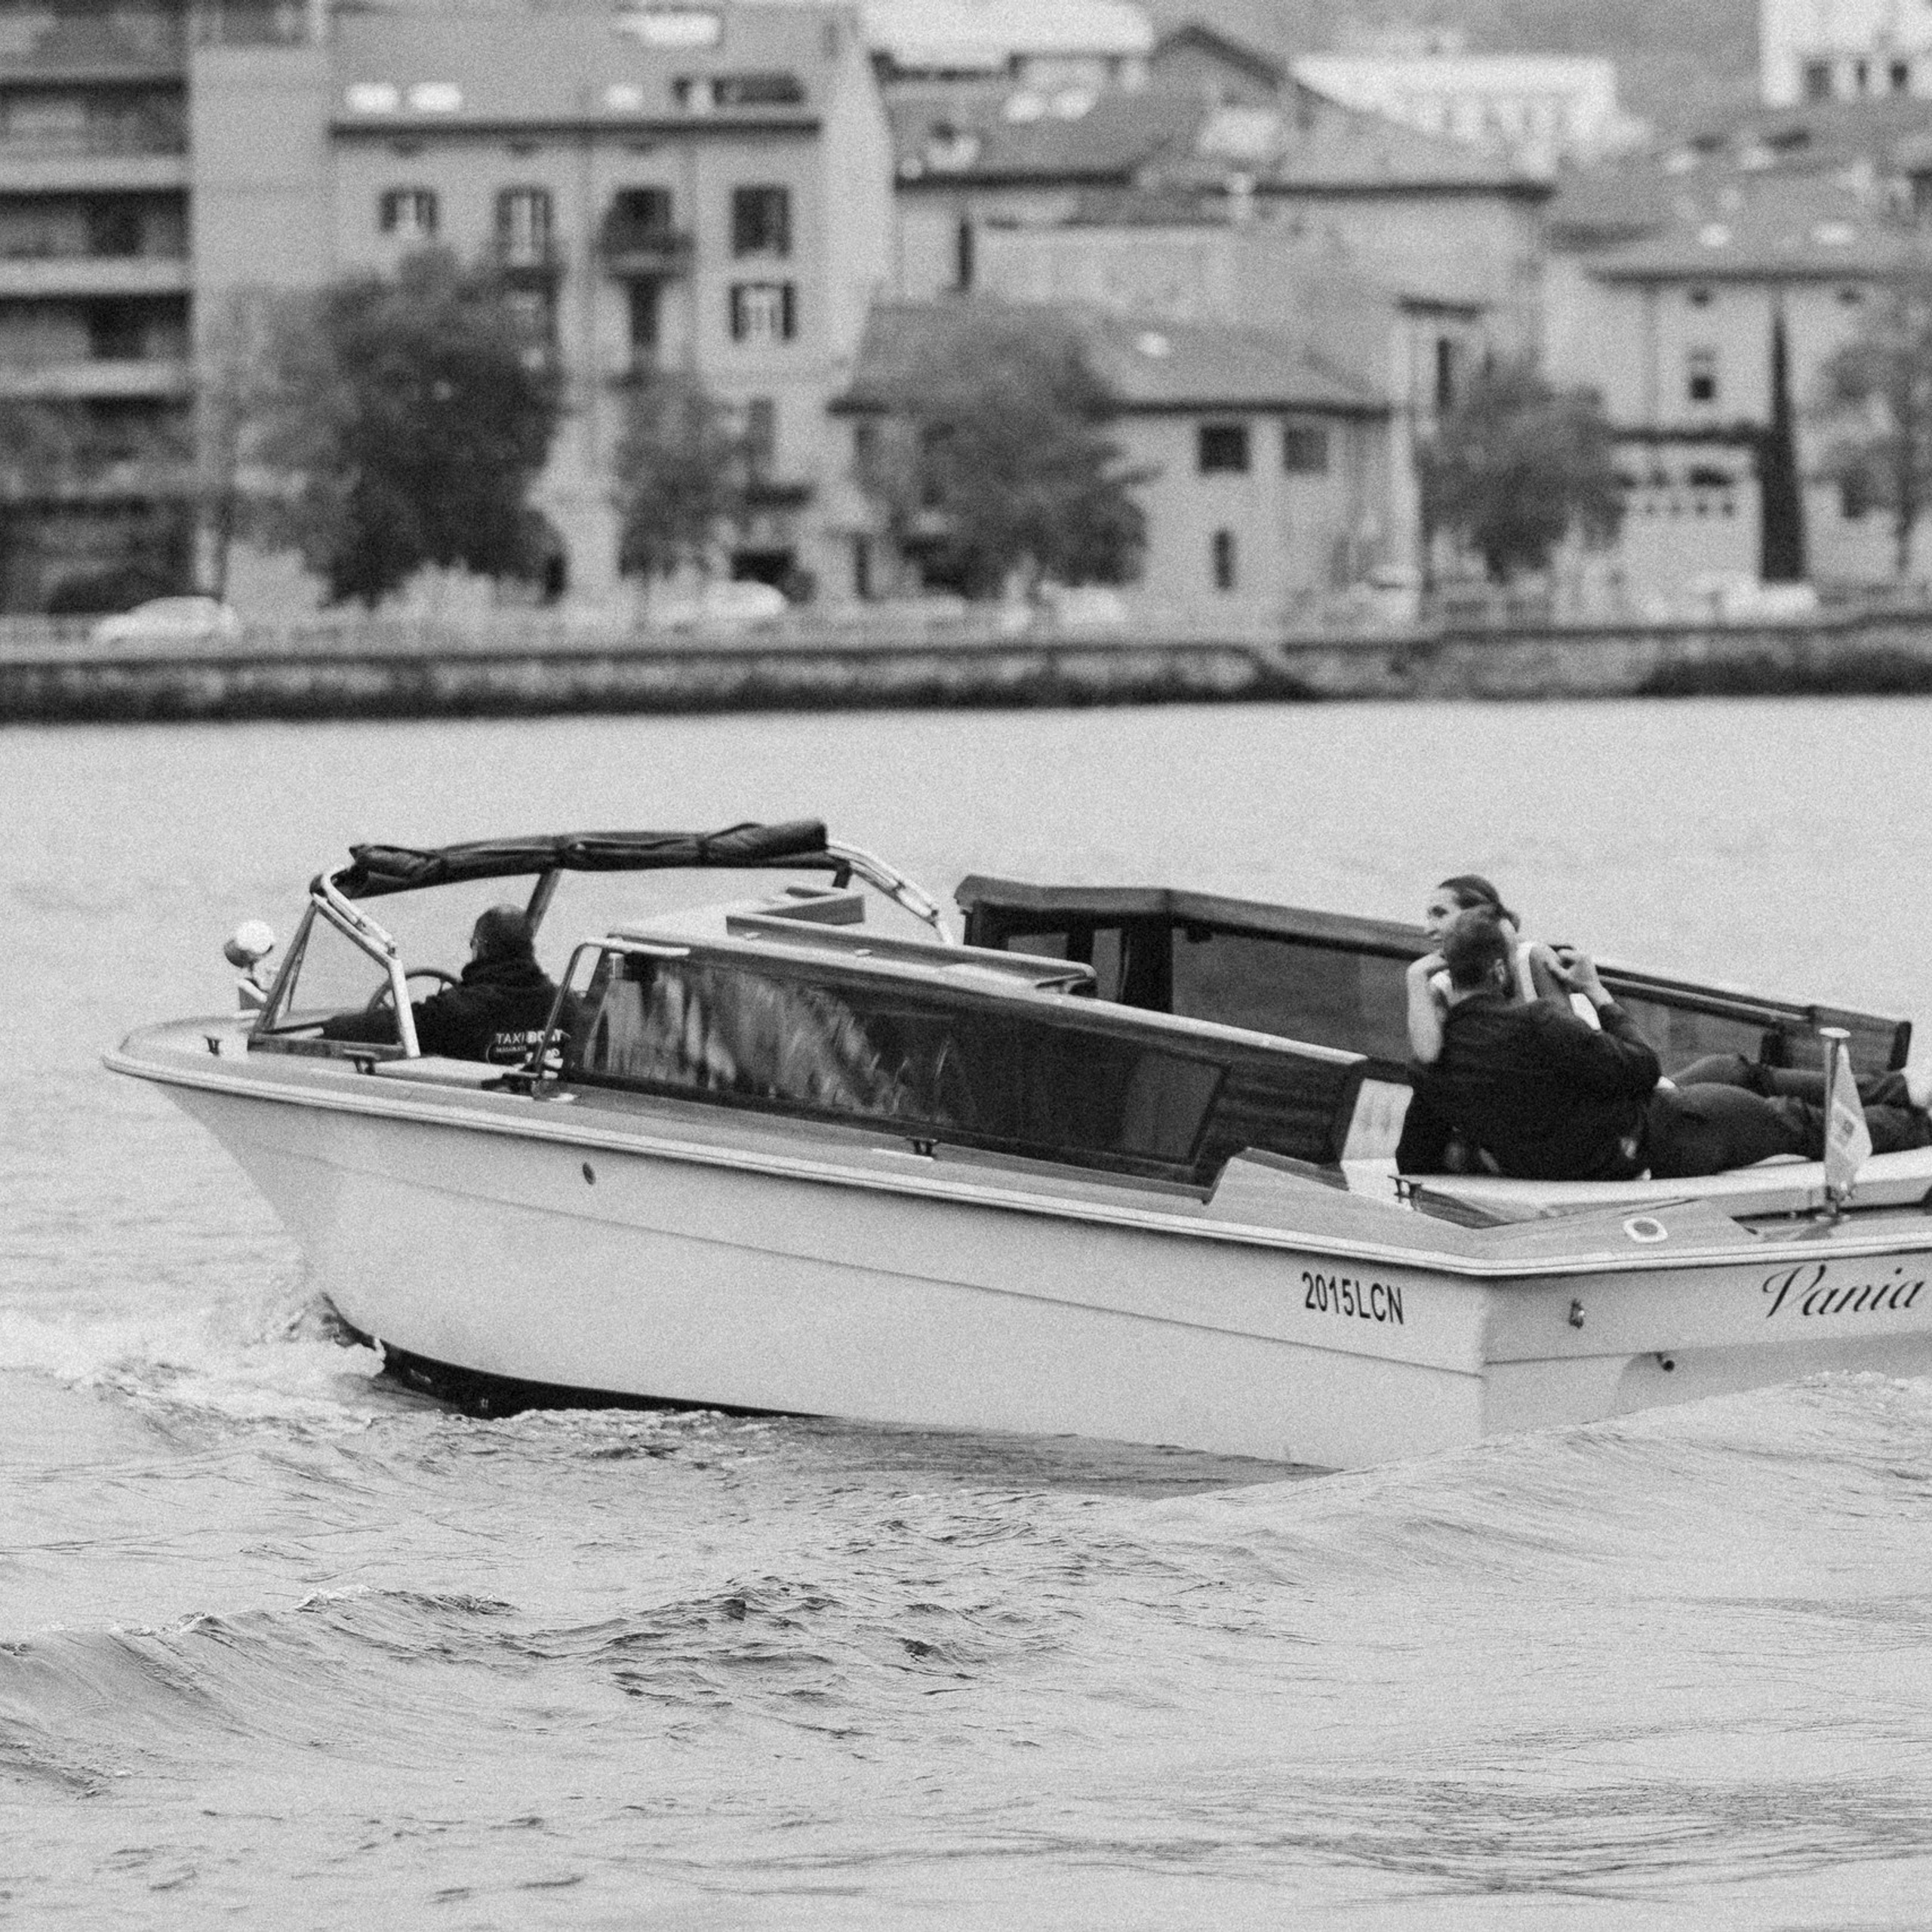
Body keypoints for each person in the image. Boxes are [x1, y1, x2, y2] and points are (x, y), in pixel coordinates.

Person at [1395, 912, 1932, 1182]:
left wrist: (1491, 1152)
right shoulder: (1537, 1024)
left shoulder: (1430, 1062)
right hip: (1655, 1141)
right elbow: (1641, 1068)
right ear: (1495, 969)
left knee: (1738, 1069)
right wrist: (1595, 992)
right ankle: (1919, 1124)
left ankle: (1902, 1086)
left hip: (1612, 1136)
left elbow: (1412, 1158)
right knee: (1795, 1120)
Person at [321, 904, 558, 1062]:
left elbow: (393, 1024)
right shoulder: (563, 1003)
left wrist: (333, 1026)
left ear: (481, 947)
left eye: (473, 945)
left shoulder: (456, 1010)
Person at [1407, 874, 1589, 1066]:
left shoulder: (1533, 958)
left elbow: (1569, 1045)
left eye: (1440, 914)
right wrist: (1415, 975)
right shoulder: (1441, 985)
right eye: (1429, 917)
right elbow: (1427, 1055)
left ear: (1476, 916)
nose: (1428, 930)